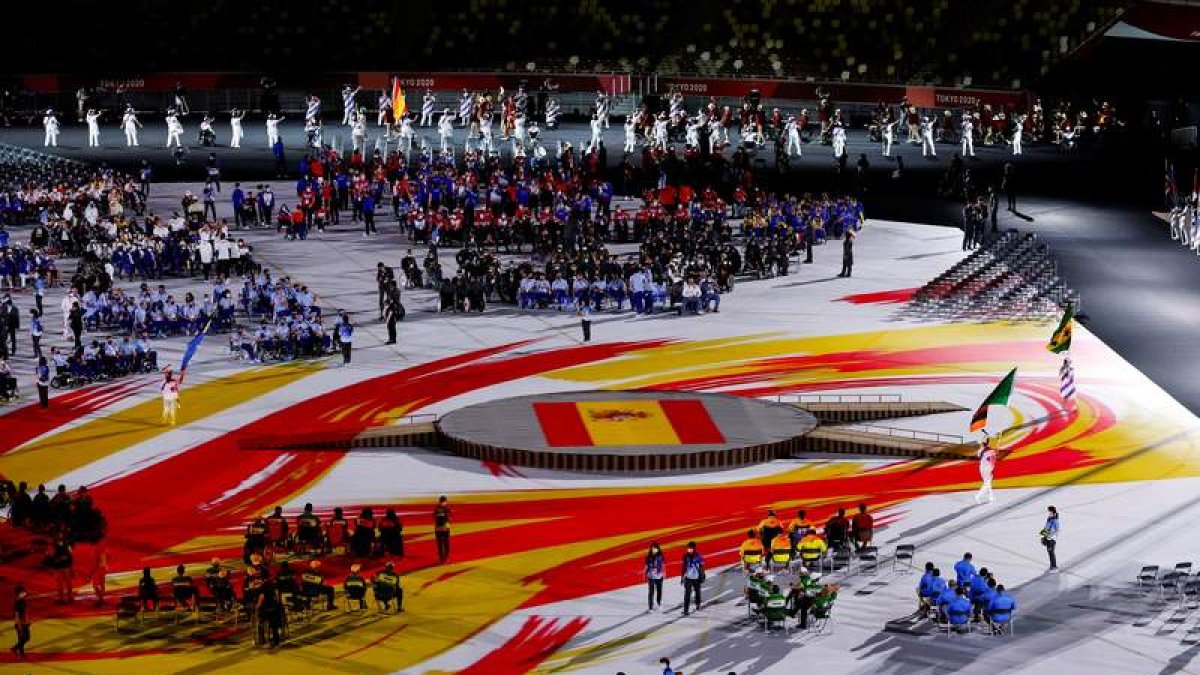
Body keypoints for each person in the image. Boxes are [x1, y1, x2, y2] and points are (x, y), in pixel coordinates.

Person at [681, 541, 705, 615]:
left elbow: (701, 567)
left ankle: (698, 605)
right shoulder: (685, 556)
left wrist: (702, 575)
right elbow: (683, 567)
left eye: (691, 548)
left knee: (697, 592)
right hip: (688, 578)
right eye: (688, 548)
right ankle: (686, 610)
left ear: (694, 548)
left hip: (696, 578)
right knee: (687, 594)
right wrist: (682, 577)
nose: (689, 550)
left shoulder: (698, 556)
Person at [976, 436, 997, 503]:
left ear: (982, 443)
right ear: (988, 443)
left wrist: (994, 453)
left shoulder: (979, 451)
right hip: (987, 468)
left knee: (988, 483)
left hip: (982, 468)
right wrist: (995, 453)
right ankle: (978, 496)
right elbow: (993, 461)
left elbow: (980, 455)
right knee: (987, 483)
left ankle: (991, 497)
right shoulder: (991, 451)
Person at [645, 541, 665, 612]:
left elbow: (663, 565)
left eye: (655, 548)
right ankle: (650, 607)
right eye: (653, 548)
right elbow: (646, 566)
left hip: (659, 576)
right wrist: (645, 574)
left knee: (659, 590)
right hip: (651, 576)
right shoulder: (648, 557)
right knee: (651, 592)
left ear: (658, 549)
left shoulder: (661, 556)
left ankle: (659, 603)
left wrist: (664, 573)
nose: (654, 550)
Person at [11, 585, 30, 660]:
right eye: (22, 592)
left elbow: (25, 611)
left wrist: (27, 620)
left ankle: (17, 650)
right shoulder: (17, 603)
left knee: (26, 638)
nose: (24, 593)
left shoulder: (23, 601)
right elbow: (17, 615)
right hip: (20, 623)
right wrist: (19, 626)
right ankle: (17, 650)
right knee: (23, 638)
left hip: (24, 622)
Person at [1041, 505, 1060, 571]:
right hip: (1048, 537)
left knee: (1051, 551)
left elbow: (1057, 529)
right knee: (1049, 552)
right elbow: (1046, 527)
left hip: (1052, 538)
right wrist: (1043, 536)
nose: (1049, 512)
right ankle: (1052, 565)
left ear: (1052, 511)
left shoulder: (1055, 519)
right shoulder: (1049, 518)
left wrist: (1050, 535)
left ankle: (1054, 566)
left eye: (1049, 511)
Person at [433, 495, 451, 563]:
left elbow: (434, 517)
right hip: (444, 528)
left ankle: (442, 558)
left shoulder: (436, 508)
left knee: (441, 544)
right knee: (445, 543)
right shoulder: (446, 508)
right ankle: (445, 558)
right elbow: (448, 518)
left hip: (439, 528)